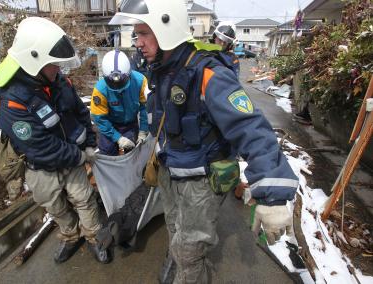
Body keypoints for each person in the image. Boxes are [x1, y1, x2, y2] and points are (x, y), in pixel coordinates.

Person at [109, 1, 299, 283]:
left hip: (201, 182)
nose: (138, 43)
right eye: (137, 35)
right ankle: (178, 259)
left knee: (191, 248)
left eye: (144, 33)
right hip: (170, 173)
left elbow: (250, 126)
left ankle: (187, 269)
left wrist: (272, 193)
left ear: (166, 29)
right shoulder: (161, 69)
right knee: (174, 228)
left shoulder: (208, 73)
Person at [0, 17, 112, 264]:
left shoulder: (59, 82)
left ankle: (94, 237)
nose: (58, 68)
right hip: (42, 165)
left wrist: (88, 142)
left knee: (85, 198)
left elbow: (80, 112)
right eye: (52, 64)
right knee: (54, 205)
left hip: (73, 156)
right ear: (32, 61)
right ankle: (70, 235)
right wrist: (79, 156)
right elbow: (40, 146)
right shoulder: (11, 102)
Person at [90, 49, 149, 156]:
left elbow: (145, 108)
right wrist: (118, 138)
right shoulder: (100, 90)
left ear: (129, 74)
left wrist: (143, 130)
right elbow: (99, 118)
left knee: (133, 152)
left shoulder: (140, 81)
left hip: (130, 124)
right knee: (107, 152)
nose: (119, 89)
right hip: (109, 125)